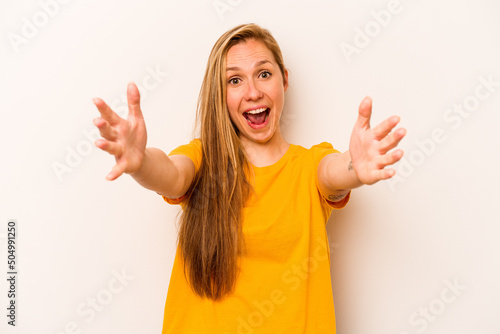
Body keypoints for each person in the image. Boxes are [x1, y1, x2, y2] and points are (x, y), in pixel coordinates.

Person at [92, 23, 405, 334]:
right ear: (220, 93)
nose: (253, 92)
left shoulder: (310, 166)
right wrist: (140, 161)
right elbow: (171, 174)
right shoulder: (202, 160)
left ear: (284, 80)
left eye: (264, 74)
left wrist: (356, 166)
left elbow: (335, 171)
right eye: (235, 80)